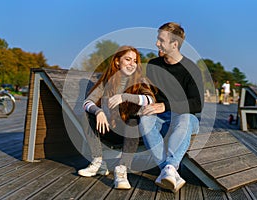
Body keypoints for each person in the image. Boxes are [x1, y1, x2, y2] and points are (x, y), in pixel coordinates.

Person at [78, 45, 155, 189]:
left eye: (135, 61)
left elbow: (150, 100)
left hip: (131, 135)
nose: (132, 63)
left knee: (133, 121)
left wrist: (124, 97)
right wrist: (98, 111)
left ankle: (122, 170)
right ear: (117, 61)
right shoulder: (107, 81)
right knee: (86, 114)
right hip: (109, 130)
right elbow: (87, 103)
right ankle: (98, 162)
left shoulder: (140, 81)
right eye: (128, 59)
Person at [138, 22, 204, 192]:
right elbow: (148, 92)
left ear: (174, 44)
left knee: (185, 117)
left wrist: (164, 106)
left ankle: (169, 167)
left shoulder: (191, 69)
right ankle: (169, 171)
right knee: (145, 120)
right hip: (161, 119)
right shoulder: (153, 65)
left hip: (186, 121)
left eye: (161, 40)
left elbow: (197, 104)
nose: (156, 44)